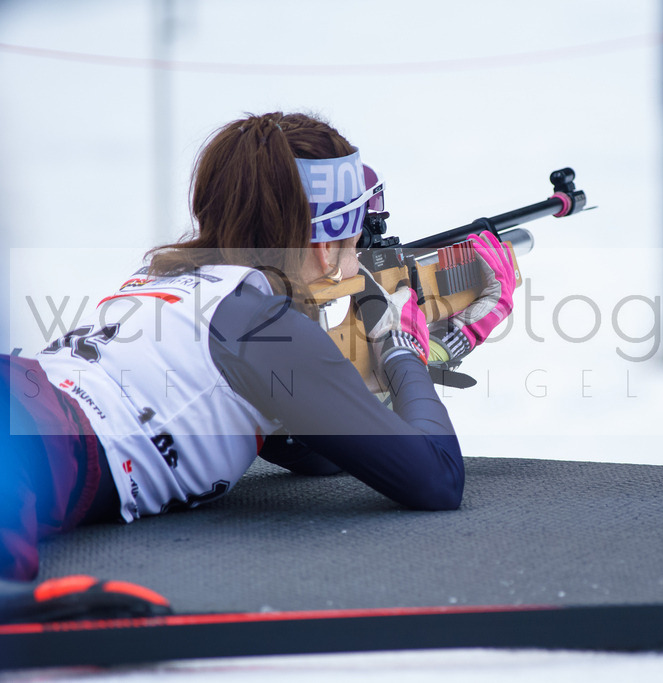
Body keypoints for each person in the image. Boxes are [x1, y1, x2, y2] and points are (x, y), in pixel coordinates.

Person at [0, 112, 516, 621]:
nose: (362, 249)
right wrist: (404, 345)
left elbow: (326, 454)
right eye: (360, 232)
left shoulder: (165, 278)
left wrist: (410, 354)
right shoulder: (262, 323)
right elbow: (436, 480)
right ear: (325, 244)